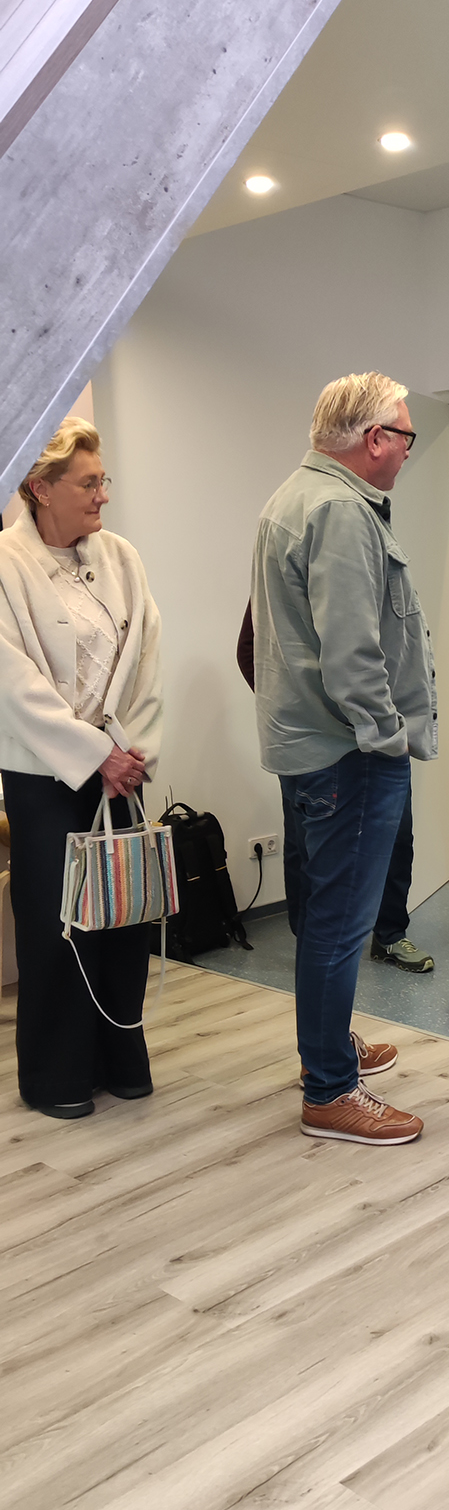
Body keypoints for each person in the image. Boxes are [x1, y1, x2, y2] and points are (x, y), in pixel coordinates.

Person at [252, 372, 437, 1145]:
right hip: (348, 751)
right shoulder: (340, 510)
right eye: (406, 435)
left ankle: (326, 1050)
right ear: (375, 439)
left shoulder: (295, 496)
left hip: (309, 746)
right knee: (338, 923)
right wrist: (388, 738)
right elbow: (353, 654)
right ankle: (330, 1090)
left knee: (321, 915)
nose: (407, 450)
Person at [0, 417, 162, 1120]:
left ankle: (120, 1060)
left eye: (104, 480)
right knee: (56, 925)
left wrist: (130, 751)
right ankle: (57, 1077)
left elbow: (147, 654)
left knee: (122, 918)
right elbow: (12, 683)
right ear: (41, 488)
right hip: (44, 775)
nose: (104, 495)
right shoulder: (4, 563)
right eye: (89, 482)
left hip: (122, 767)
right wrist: (94, 756)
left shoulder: (121, 557)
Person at [237, 601, 433, 969]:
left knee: (396, 838)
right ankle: (308, 939)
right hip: (312, 745)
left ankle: (390, 934)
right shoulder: (286, 579)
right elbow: (248, 650)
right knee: (303, 846)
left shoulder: (369, 579)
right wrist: (295, 710)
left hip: (381, 737)